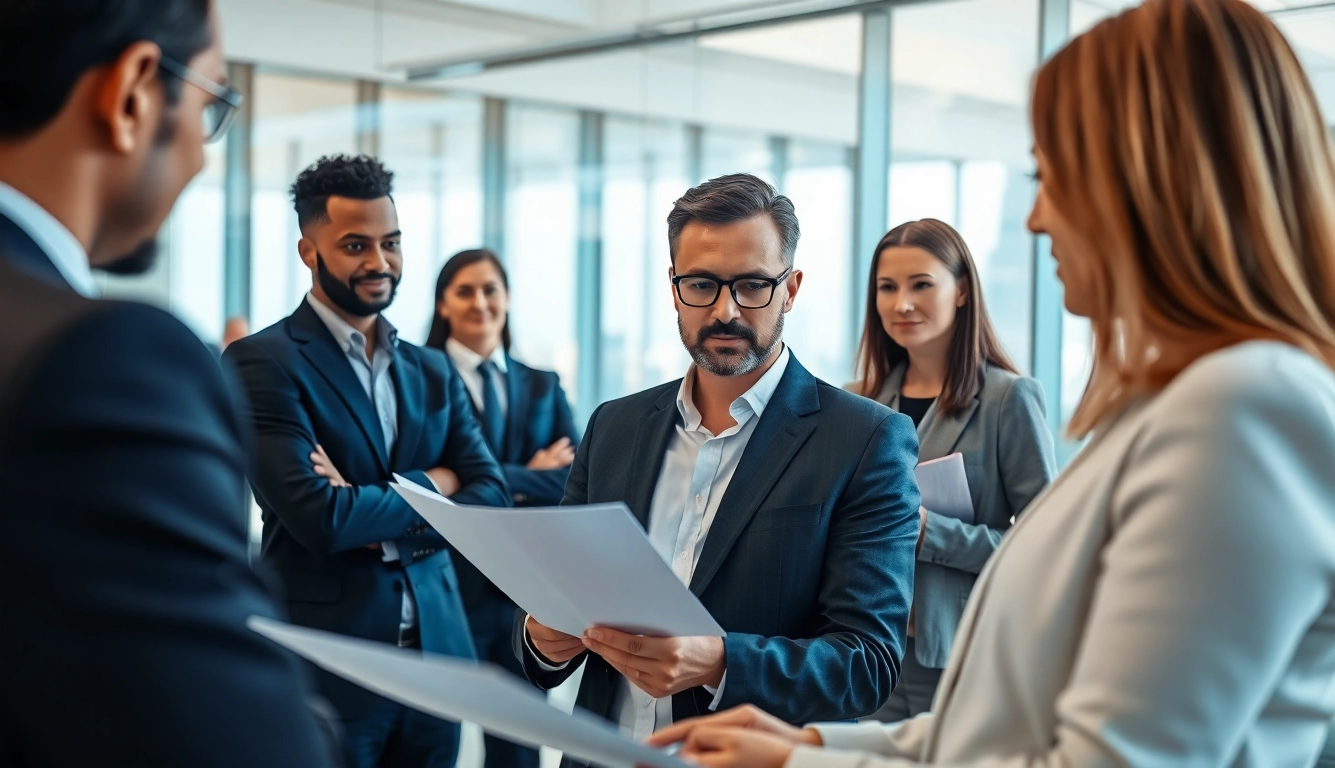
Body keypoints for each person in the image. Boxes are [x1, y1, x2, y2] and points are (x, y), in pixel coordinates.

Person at [647, 0, 1335, 765]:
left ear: (1157, 183)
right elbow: (1003, 724)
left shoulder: (1244, 411)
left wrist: (802, 763)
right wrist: (810, 738)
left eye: (1055, 177)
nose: (1037, 218)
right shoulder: (1171, 407)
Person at [0, 1, 334, 765]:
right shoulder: (102, 364)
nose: (202, 157)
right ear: (134, 93)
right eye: (211, 104)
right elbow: (246, 744)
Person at [513, 173, 922, 767]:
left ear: (792, 288)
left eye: (754, 285)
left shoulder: (865, 440)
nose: (726, 310)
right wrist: (543, 638)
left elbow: (867, 664)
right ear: (674, 287)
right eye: (702, 284)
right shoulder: (614, 426)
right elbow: (558, 606)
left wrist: (720, 660)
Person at [223, 155, 510, 768]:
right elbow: (320, 518)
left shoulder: (431, 369)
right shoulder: (264, 363)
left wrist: (376, 494)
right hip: (331, 666)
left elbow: (491, 497)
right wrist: (439, 482)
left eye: (391, 243)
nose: (379, 263)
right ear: (309, 250)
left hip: (439, 661)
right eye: (355, 245)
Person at [849, 218, 1056, 719]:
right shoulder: (859, 402)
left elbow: (1046, 548)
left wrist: (928, 532)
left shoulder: (1008, 399)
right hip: (868, 648)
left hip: (960, 656)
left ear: (961, 292)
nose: (902, 303)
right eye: (887, 287)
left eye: (921, 284)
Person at [425, 248, 579, 768]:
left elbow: (574, 480)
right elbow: (417, 481)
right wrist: (525, 476)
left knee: (517, 750)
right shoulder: (416, 380)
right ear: (443, 304)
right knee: (430, 740)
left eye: (491, 289)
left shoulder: (542, 384)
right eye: (464, 290)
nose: (480, 302)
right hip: (443, 588)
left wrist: (474, 480)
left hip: (522, 595)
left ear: (507, 299)